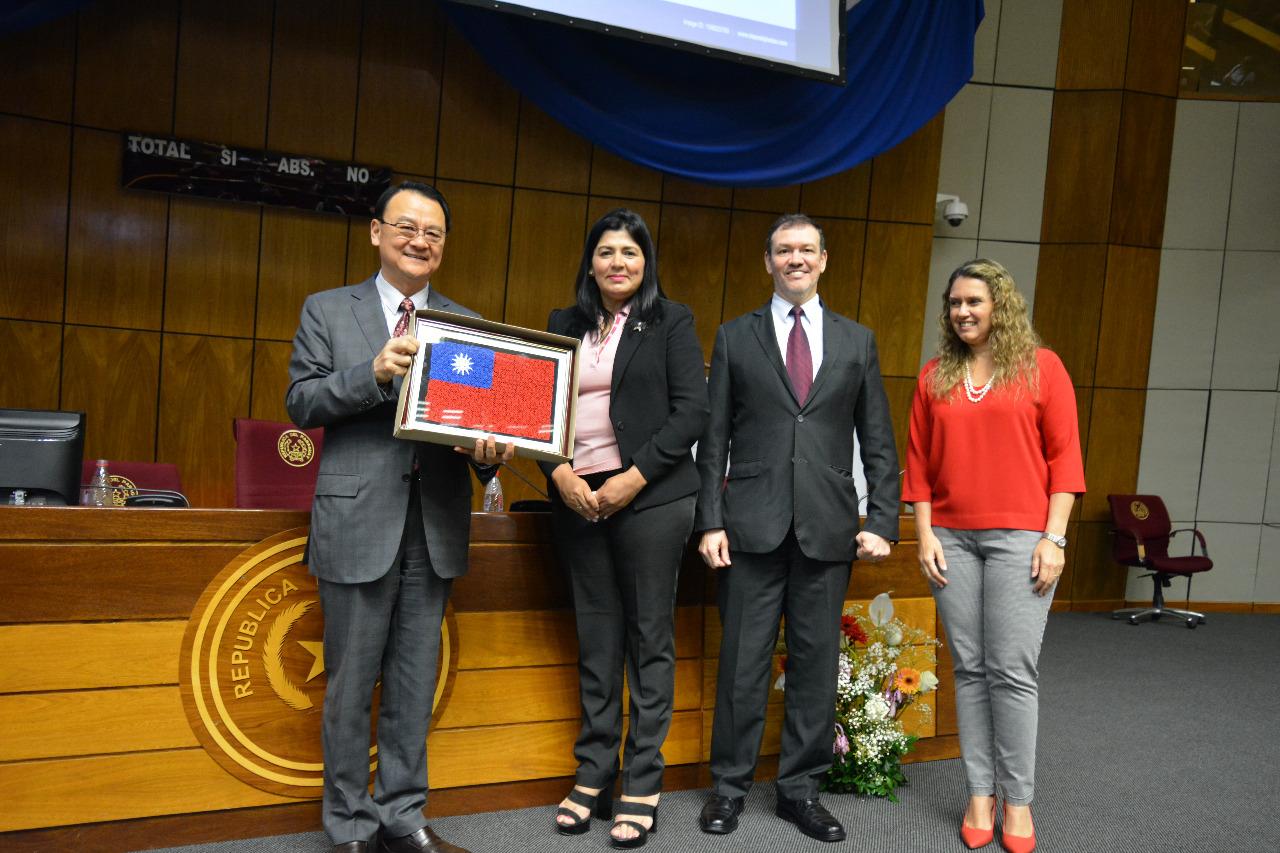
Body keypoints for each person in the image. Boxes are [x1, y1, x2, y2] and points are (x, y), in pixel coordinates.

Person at [286, 181, 514, 853]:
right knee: (350, 686)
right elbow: (301, 401)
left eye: (434, 233)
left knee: (415, 684)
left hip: (435, 525)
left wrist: (489, 453)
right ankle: (349, 824)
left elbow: (483, 427)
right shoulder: (328, 311)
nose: (421, 240)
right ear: (377, 233)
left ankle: (404, 813)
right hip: (358, 523)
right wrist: (374, 374)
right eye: (408, 227)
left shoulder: (468, 323)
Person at [694, 214, 900, 844]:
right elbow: (715, 438)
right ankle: (729, 789)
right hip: (750, 529)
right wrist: (710, 521)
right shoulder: (734, 336)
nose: (795, 259)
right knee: (742, 667)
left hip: (828, 530)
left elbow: (880, 441)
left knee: (815, 665)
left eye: (806, 250)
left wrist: (883, 519)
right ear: (768, 262)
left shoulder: (857, 340)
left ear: (824, 258)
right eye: (784, 250)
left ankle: (799, 791)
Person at [903, 259, 1084, 853]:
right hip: (950, 539)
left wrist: (1053, 539)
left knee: (1012, 671)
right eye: (954, 303)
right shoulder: (935, 376)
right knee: (971, 669)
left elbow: (1065, 463)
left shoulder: (1042, 368)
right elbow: (919, 468)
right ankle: (979, 794)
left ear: (999, 305)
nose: (962, 312)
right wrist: (924, 535)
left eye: (974, 302)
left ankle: (1019, 801)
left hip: (1021, 540)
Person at [541, 208, 709, 849]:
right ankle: (593, 774)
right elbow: (538, 405)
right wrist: (558, 472)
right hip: (578, 497)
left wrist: (633, 479)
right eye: (607, 252)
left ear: (646, 264)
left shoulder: (671, 320)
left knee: (648, 641)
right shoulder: (563, 325)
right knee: (598, 640)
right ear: (590, 262)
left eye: (630, 253)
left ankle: (642, 780)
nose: (618, 263)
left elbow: (692, 410)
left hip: (650, 499)